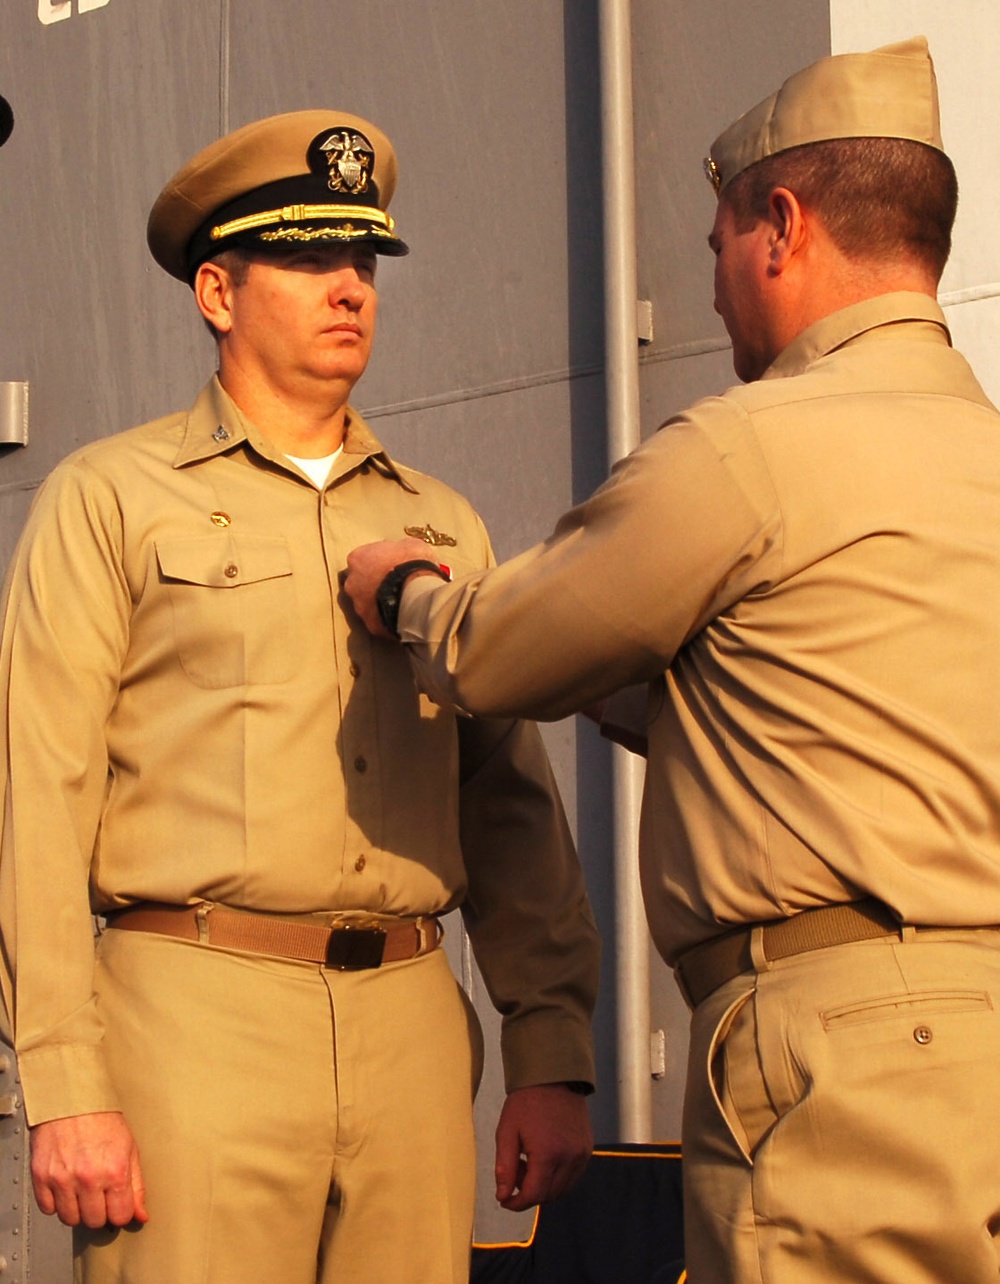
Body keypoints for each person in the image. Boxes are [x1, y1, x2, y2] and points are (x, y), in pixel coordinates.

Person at [345, 36, 1000, 1282]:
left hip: (848, 1060)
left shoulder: (748, 450)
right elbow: (825, 698)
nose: (710, 294)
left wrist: (407, 593)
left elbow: (493, 653)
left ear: (781, 226)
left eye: (714, 250)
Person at [0, 109, 600, 1283]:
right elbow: (36, 791)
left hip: (414, 1032)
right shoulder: (109, 498)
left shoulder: (437, 521)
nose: (349, 289)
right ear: (216, 292)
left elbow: (508, 804)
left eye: (363, 261)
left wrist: (549, 1053)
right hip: (191, 1019)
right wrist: (64, 1082)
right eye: (308, 259)